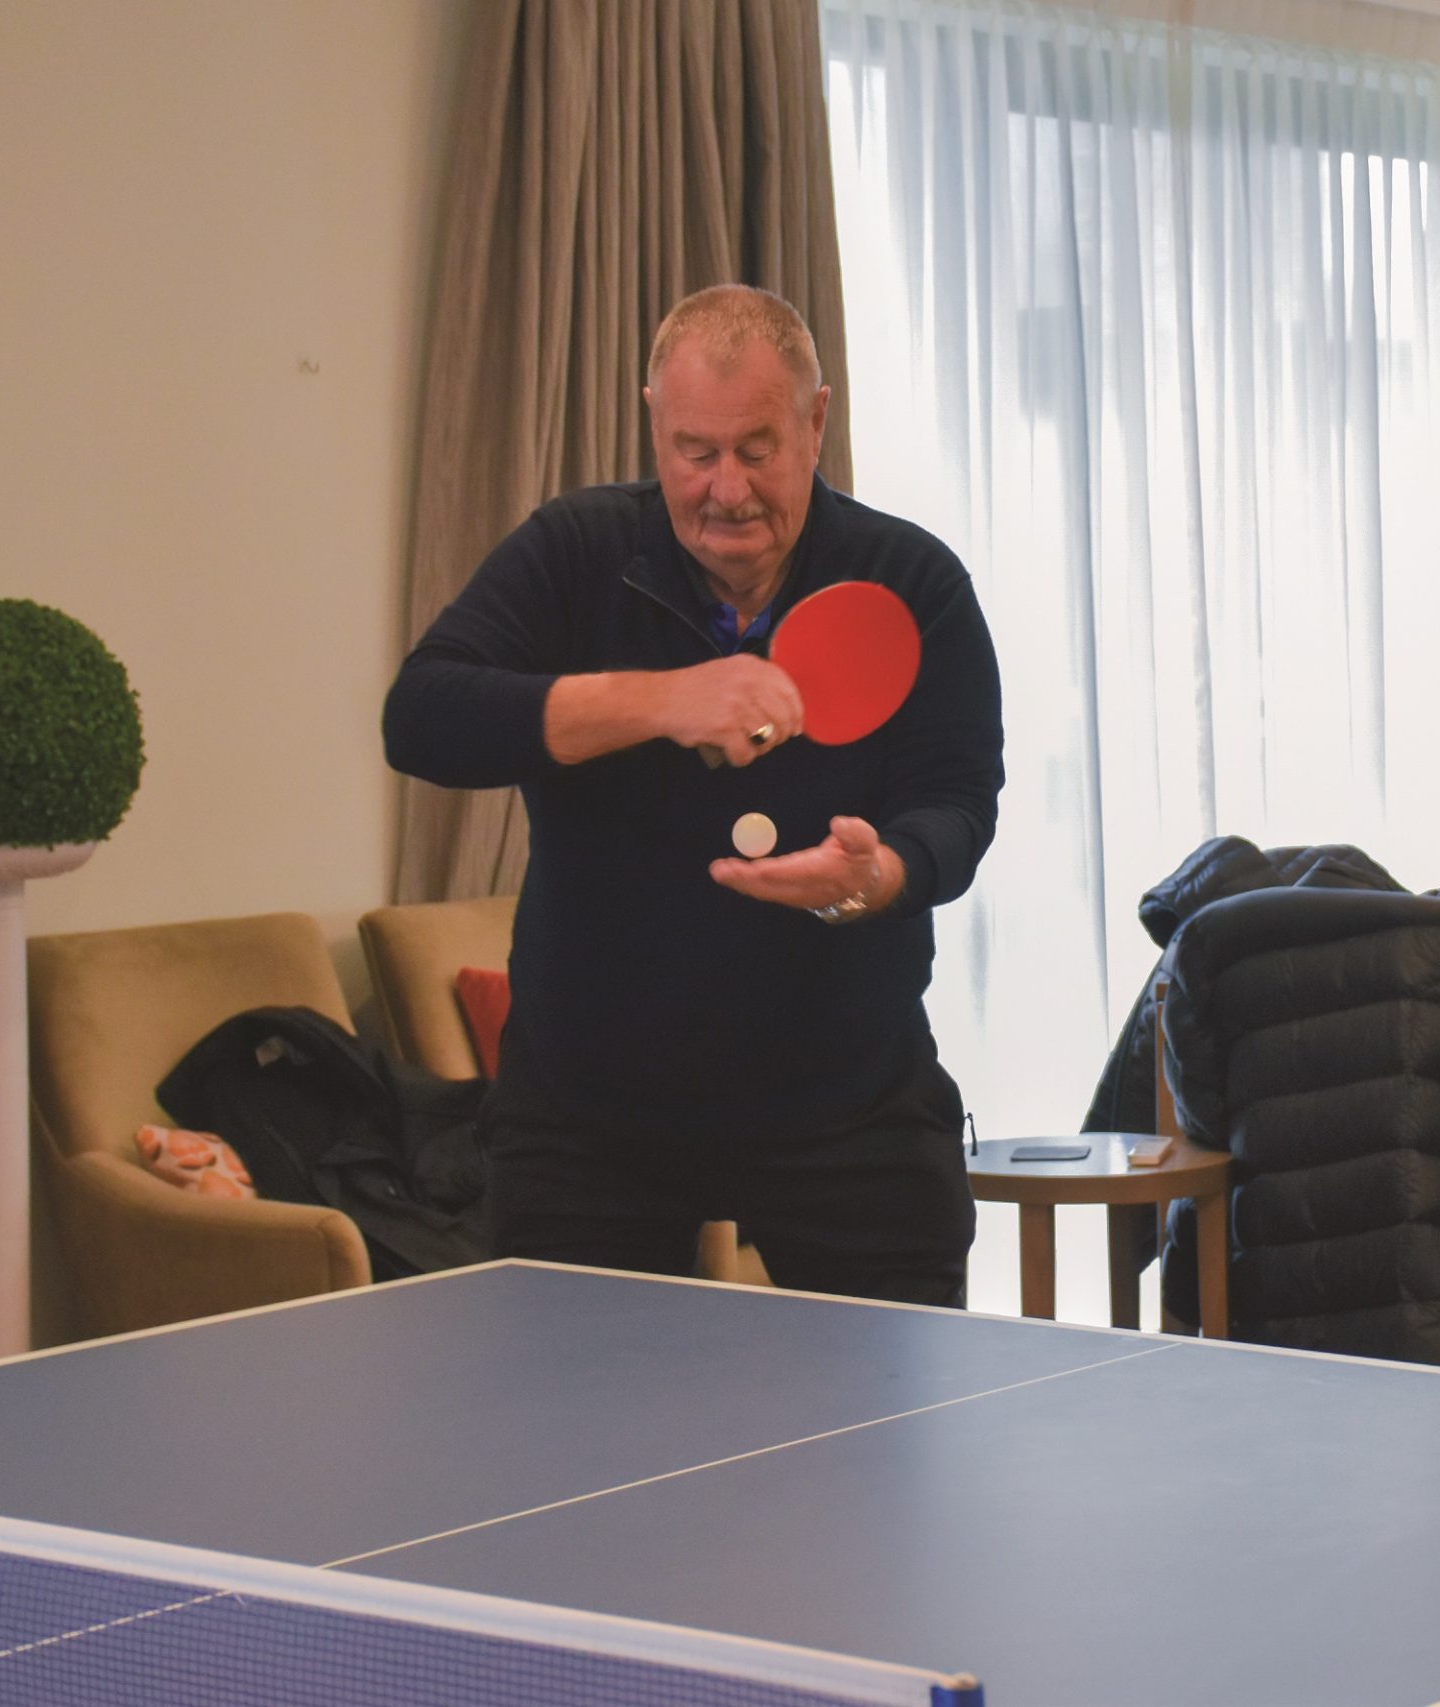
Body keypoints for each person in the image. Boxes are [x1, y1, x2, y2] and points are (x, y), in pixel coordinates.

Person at [384, 284, 1003, 1307]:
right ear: (653, 427)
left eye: (757, 448)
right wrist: (661, 700)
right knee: (581, 1456)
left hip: (850, 1107)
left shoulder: (912, 579)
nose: (726, 489)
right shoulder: (573, 552)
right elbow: (424, 717)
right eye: (694, 451)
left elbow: (956, 804)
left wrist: (876, 876)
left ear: (816, 422)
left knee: (885, 1457)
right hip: (586, 1118)